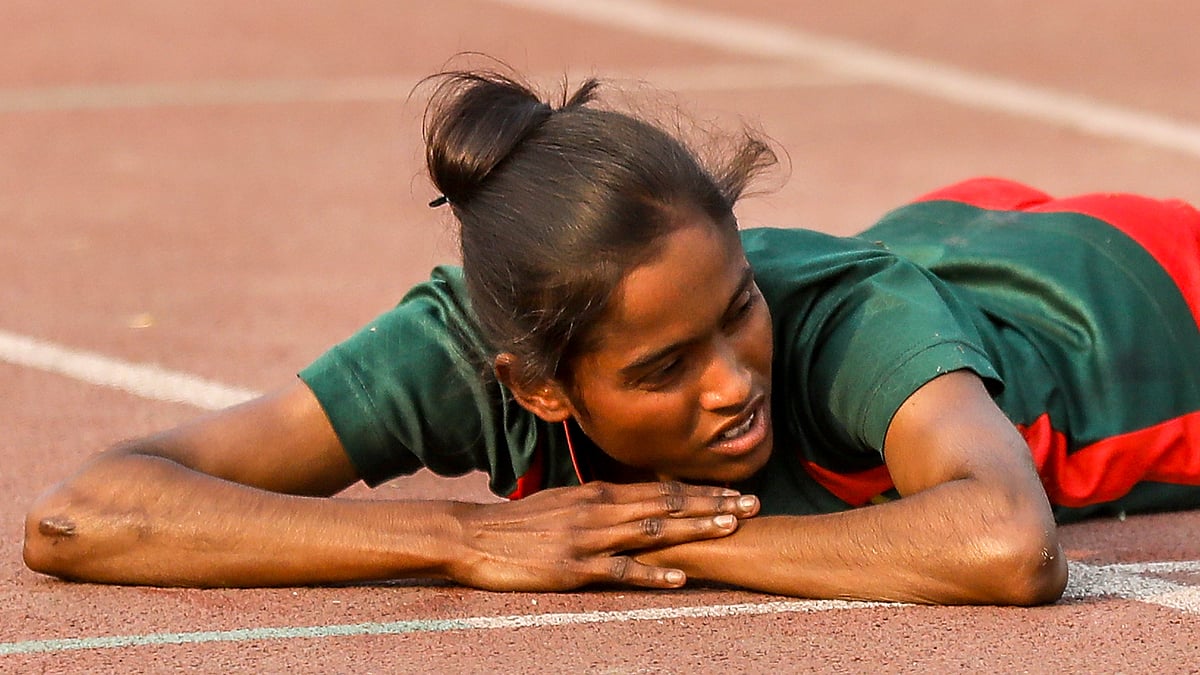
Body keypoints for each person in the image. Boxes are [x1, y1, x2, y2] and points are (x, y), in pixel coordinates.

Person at [23, 69, 1200, 606]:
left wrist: (615, 539)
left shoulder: (837, 321)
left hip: (1135, 299)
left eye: (736, 303)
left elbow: (1002, 546)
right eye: (661, 368)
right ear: (535, 389)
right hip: (963, 244)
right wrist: (464, 540)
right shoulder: (469, 342)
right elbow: (85, 515)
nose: (735, 378)